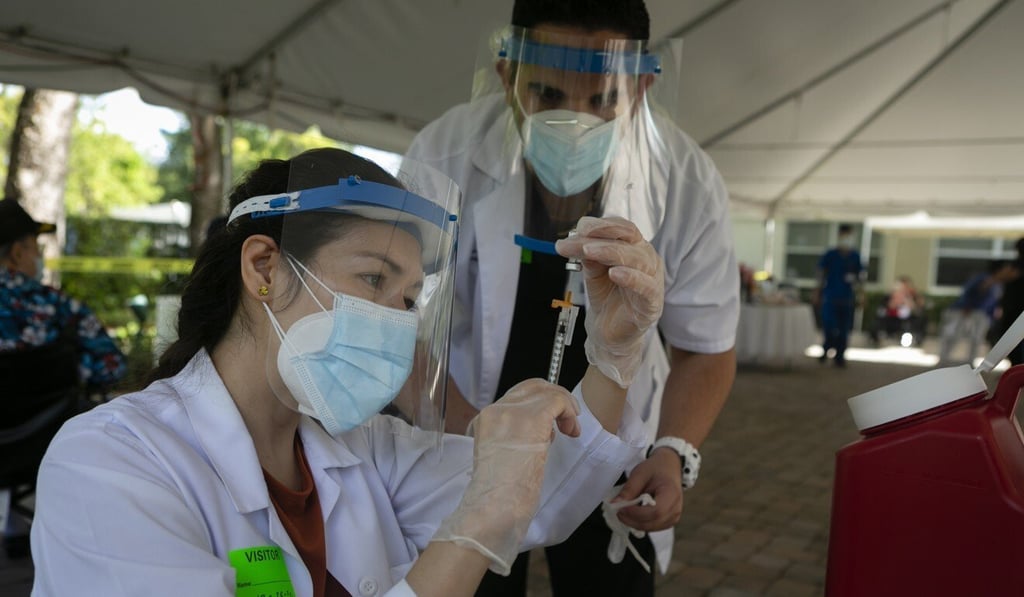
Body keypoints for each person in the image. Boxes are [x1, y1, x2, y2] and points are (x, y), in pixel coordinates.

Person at [30, 148, 666, 597]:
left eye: (408, 300)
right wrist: (473, 529)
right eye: (372, 278)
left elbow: (540, 495)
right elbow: (491, 509)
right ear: (264, 268)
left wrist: (612, 355)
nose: (393, 321)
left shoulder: (366, 447)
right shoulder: (110, 462)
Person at [406, 2, 740, 594]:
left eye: (602, 99)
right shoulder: (446, 153)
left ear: (641, 86)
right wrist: (471, 439)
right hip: (468, 431)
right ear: (508, 76)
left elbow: (706, 347)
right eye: (548, 93)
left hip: (617, 457)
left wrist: (671, 452)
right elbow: (404, 323)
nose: (573, 120)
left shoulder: (686, 179)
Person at [0, 197, 126, 389]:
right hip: (53, 418)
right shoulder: (59, 306)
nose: (39, 257)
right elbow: (112, 367)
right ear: (17, 253)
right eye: (37, 249)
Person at [938, 260, 1018, 366]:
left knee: (976, 339)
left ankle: (970, 362)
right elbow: (968, 292)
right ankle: (943, 360)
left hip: (981, 314)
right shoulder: (984, 279)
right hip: (965, 311)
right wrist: (966, 306)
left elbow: (993, 301)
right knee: (953, 335)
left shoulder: (999, 284)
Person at [814, 224, 863, 367]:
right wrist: (817, 291)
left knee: (844, 329)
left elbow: (860, 278)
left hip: (847, 298)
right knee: (829, 327)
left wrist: (861, 295)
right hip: (831, 296)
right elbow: (821, 273)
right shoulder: (831, 254)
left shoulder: (855, 256)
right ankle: (826, 348)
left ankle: (839, 356)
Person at [993, 238, 1024, 366]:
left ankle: (1017, 368)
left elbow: (1002, 277)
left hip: (1014, 309)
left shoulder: (1018, 264)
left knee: (1012, 341)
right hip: (1013, 308)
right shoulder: (1017, 264)